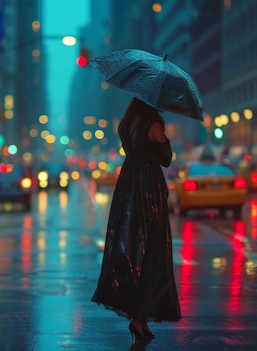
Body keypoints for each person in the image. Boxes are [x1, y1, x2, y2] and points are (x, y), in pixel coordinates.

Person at [91, 97, 181, 343]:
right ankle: (139, 317)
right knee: (153, 253)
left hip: (129, 185)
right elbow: (166, 158)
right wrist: (164, 135)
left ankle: (139, 318)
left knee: (132, 249)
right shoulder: (153, 124)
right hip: (148, 189)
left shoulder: (126, 123)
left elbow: (133, 150)